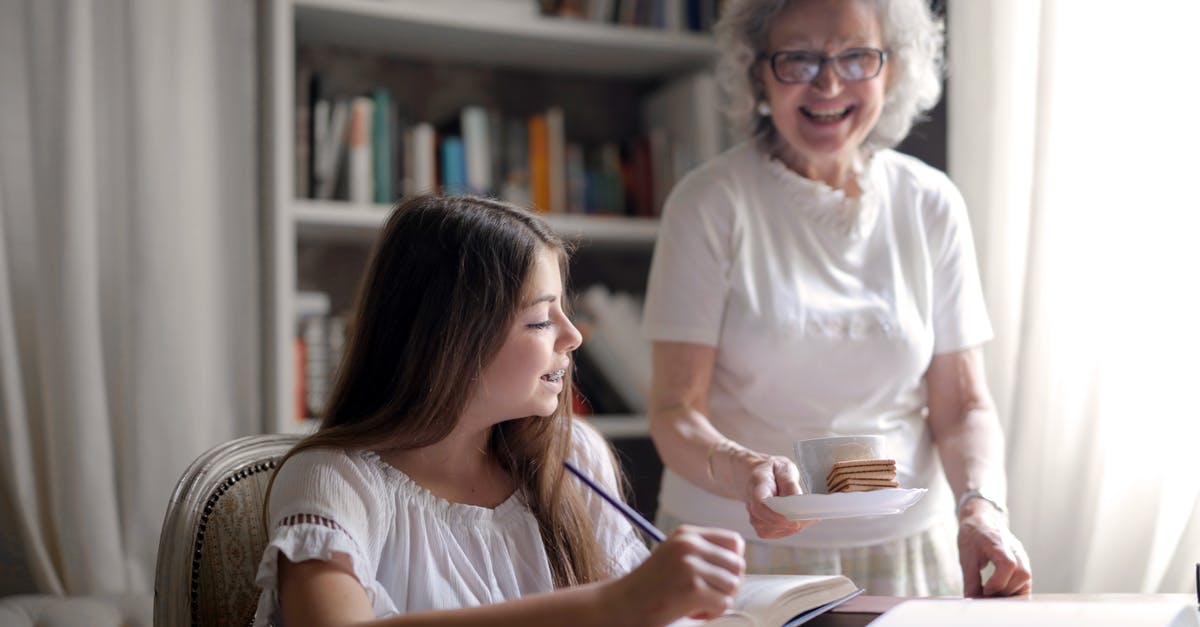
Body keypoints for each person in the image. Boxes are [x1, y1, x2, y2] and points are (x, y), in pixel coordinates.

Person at [642, 0, 1032, 597]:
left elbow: (962, 407)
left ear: (892, 69)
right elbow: (674, 412)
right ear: (758, 73)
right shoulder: (708, 203)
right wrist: (744, 470)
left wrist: (981, 509)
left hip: (906, 548)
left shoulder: (931, 203)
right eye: (797, 58)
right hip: (735, 549)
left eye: (856, 57)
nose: (828, 83)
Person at [252, 195, 746, 627]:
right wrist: (613, 605)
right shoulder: (334, 482)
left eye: (563, 312)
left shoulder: (573, 457)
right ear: (450, 340)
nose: (573, 337)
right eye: (538, 320)